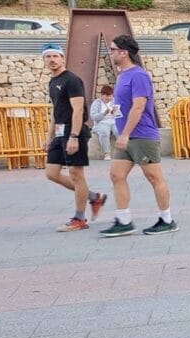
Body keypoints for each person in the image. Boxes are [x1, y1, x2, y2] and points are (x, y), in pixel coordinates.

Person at [101, 35, 176, 236]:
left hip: (141, 135)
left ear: (124, 52)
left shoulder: (139, 75)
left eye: (113, 48)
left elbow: (139, 105)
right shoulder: (123, 76)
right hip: (126, 137)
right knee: (116, 175)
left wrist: (124, 134)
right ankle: (124, 221)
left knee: (154, 177)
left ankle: (167, 219)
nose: (110, 52)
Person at [42, 43, 105, 232]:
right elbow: (56, 111)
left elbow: (78, 109)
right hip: (60, 134)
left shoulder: (72, 80)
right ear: (44, 60)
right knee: (51, 173)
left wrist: (74, 136)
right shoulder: (53, 82)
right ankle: (94, 197)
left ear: (62, 58)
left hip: (74, 132)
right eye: (48, 57)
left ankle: (80, 219)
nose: (52, 60)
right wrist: (49, 136)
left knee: (76, 175)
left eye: (55, 56)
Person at [89, 84, 119, 161]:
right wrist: (104, 113)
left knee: (119, 131)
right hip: (101, 122)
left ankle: (124, 152)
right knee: (104, 132)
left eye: (110, 96)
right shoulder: (96, 103)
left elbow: (119, 115)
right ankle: (107, 153)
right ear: (102, 95)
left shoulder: (114, 101)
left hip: (113, 121)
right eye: (107, 96)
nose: (108, 98)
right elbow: (93, 117)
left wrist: (115, 112)